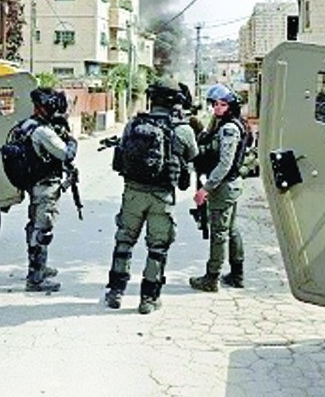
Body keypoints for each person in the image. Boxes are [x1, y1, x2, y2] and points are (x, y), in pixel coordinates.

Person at [104, 77, 198, 314]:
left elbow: (121, 157)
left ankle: (115, 292)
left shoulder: (134, 125)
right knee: (157, 248)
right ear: (175, 101)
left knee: (124, 241)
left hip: (133, 193)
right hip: (161, 196)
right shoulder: (182, 129)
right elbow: (193, 154)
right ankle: (148, 299)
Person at [189, 84, 247, 292]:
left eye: (222, 104)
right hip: (229, 186)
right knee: (230, 230)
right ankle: (237, 275)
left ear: (231, 106)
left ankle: (211, 278)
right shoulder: (224, 125)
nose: (217, 108)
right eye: (215, 104)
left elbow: (225, 163)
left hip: (223, 187)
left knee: (219, 233)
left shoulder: (229, 129)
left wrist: (205, 189)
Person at [20, 87, 77, 292]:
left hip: (33, 184)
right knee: (43, 230)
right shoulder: (43, 131)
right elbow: (65, 155)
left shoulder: (27, 124)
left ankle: (38, 268)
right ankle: (35, 278)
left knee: (34, 226)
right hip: (45, 187)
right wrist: (71, 140)